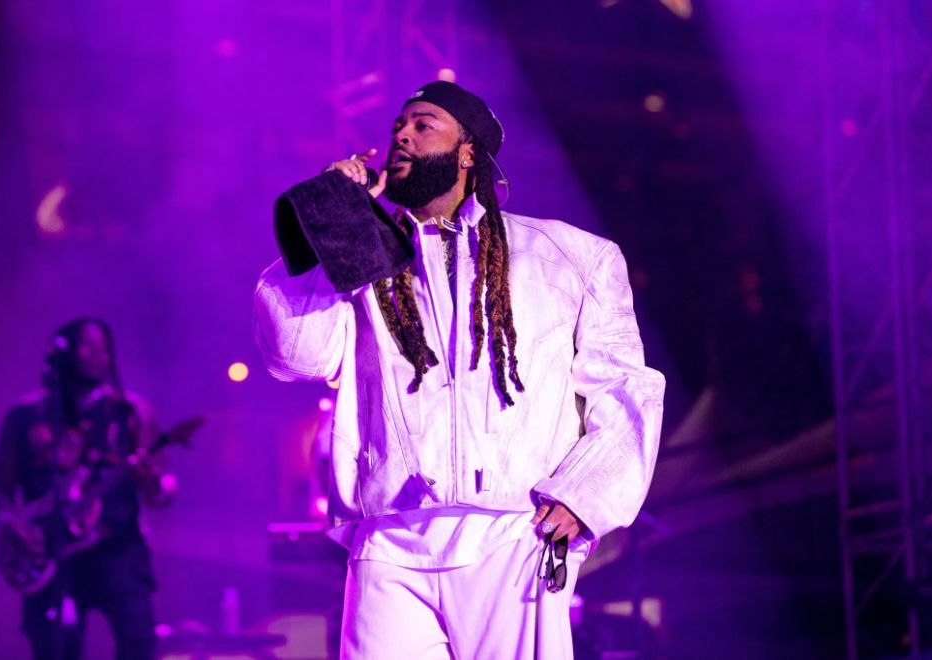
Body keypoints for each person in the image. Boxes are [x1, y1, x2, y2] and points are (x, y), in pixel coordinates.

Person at [254, 80, 665, 659]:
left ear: (468, 151)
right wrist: (333, 223)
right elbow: (295, 357)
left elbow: (624, 387)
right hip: (391, 533)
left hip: (511, 527)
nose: (401, 135)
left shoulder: (569, 255)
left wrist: (583, 495)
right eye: (398, 125)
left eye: (423, 125)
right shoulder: (365, 257)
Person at [0, 318, 175, 660]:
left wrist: (153, 482)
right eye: (88, 347)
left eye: (104, 348)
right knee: (54, 647)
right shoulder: (27, 415)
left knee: (138, 640)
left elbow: (165, 489)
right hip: (49, 553)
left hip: (118, 550)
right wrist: (9, 523)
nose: (99, 356)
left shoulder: (131, 411)